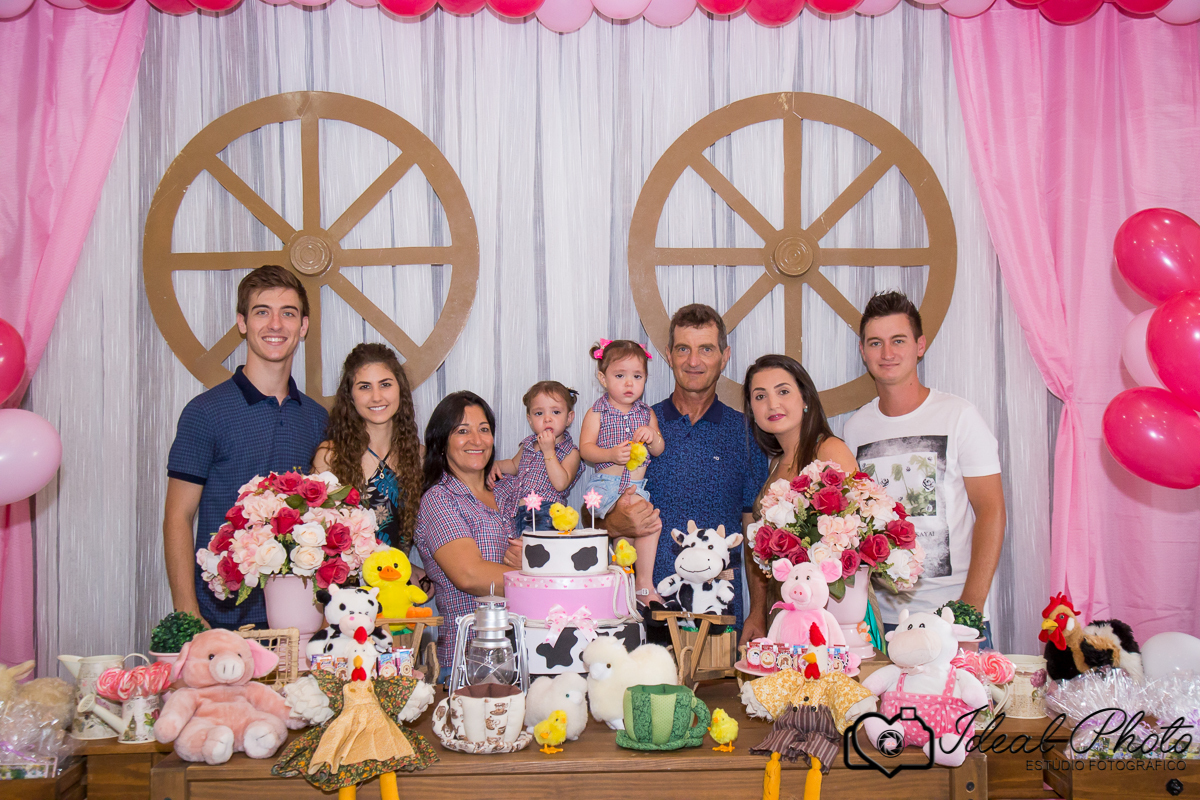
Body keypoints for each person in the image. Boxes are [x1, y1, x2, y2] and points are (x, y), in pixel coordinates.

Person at [164, 265, 328, 629]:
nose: (275, 325)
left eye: (288, 313)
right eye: (261, 312)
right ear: (242, 322)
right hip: (222, 619)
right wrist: (188, 612)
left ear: (302, 327)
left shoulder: (317, 419)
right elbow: (178, 517)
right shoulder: (204, 412)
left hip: (301, 623)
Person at [842, 291, 1006, 648]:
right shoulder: (854, 430)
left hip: (954, 616)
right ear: (863, 351)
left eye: (898, 340)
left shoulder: (959, 416)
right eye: (876, 343)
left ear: (920, 345)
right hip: (881, 622)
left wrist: (969, 613)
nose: (887, 353)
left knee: (970, 707)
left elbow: (991, 513)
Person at [601, 305, 768, 644]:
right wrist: (613, 523)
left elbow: (754, 531)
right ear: (668, 355)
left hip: (718, 614)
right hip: (641, 613)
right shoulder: (635, 423)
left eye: (706, 349)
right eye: (683, 349)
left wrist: (758, 612)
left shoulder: (747, 433)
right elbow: (599, 516)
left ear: (725, 356)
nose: (694, 361)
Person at [742, 354, 864, 642]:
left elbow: (859, 537)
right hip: (784, 612)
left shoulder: (829, 450)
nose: (772, 404)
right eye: (760, 396)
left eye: (783, 391)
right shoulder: (773, 464)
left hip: (833, 613)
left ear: (805, 398)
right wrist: (757, 612)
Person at [414, 392, 515, 679]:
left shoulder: (508, 491)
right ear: (441, 442)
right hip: (469, 662)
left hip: (524, 652)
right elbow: (470, 575)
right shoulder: (439, 499)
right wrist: (538, 575)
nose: (476, 439)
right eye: (462, 431)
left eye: (484, 429)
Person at [312, 344, 423, 554]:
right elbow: (316, 533)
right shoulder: (329, 457)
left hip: (398, 581)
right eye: (364, 387)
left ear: (401, 389)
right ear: (350, 396)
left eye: (385, 384)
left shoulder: (419, 456)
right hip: (345, 584)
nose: (376, 397)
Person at [579, 340, 666, 605]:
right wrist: (609, 455)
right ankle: (634, 583)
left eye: (637, 376)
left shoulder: (646, 413)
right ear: (603, 378)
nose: (629, 384)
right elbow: (585, 449)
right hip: (607, 485)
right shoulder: (597, 412)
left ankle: (637, 584)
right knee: (639, 526)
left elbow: (659, 449)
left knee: (640, 529)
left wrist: (652, 437)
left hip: (636, 487)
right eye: (620, 376)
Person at [489, 381, 584, 531]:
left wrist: (548, 452)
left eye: (556, 412)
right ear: (530, 420)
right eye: (539, 413)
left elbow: (561, 484)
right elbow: (514, 466)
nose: (547, 419)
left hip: (546, 511)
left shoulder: (571, 451)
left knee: (536, 549)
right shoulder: (528, 444)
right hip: (516, 511)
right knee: (517, 549)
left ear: (569, 418)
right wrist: (495, 465)